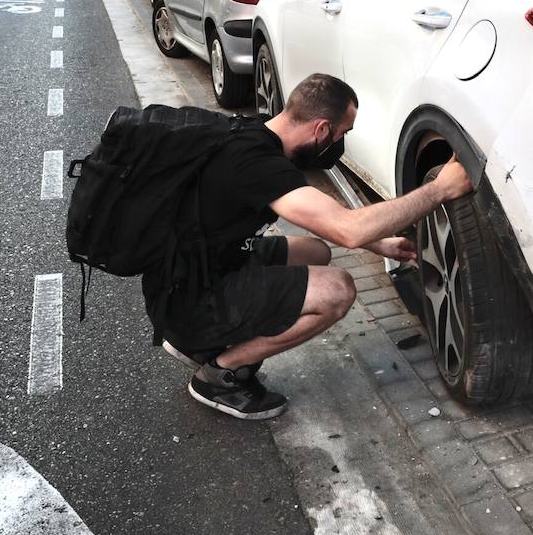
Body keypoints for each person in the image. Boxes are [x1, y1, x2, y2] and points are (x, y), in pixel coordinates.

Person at [146, 73, 473, 420]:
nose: (340, 142)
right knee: (338, 290)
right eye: (341, 133)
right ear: (320, 130)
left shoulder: (253, 134)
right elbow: (348, 230)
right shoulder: (256, 166)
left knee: (317, 252)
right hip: (187, 300)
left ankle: (206, 334)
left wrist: (380, 245)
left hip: (191, 270)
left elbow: (327, 223)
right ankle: (221, 373)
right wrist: (440, 190)